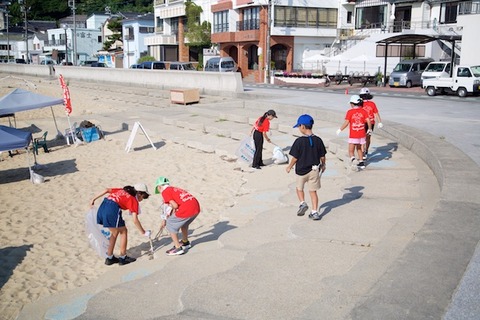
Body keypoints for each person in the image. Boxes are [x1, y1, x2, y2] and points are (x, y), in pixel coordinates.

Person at [91, 183, 151, 266]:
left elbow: (106, 190)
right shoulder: (133, 200)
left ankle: (110, 257)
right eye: (143, 196)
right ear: (139, 193)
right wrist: (143, 232)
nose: (142, 199)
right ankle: (123, 257)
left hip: (103, 207)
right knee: (123, 231)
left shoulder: (123, 190)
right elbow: (135, 220)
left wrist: (93, 199)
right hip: (112, 209)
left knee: (115, 232)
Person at [286, 114, 327, 221]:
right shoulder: (318, 140)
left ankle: (302, 203)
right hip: (314, 170)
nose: (299, 129)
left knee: (299, 188)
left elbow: (295, 157)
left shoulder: (299, 141)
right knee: (313, 191)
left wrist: (289, 166)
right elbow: (322, 156)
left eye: (299, 126)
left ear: (303, 126)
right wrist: (323, 165)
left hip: (301, 171)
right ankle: (315, 212)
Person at [154, 176, 201, 256]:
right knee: (184, 223)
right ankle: (185, 242)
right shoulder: (173, 189)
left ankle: (177, 247)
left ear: (159, 187)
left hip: (187, 208)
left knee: (170, 224)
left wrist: (165, 219)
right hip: (196, 206)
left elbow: (175, 206)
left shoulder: (165, 192)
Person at [336, 95, 372, 169]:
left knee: (350, 151)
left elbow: (346, 122)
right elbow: (368, 120)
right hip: (362, 134)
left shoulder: (350, 112)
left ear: (352, 103)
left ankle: (353, 159)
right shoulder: (363, 111)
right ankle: (361, 162)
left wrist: (340, 129)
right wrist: (369, 129)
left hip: (353, 134)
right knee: (359, 148)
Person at [359, 88, 383, 159]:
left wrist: (380, 122)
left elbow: (376, 113)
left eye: (365, 96)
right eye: (363, 96)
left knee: (368, 137)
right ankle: (363, 152)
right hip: (362, 123)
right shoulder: (360, 103)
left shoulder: (372, 104)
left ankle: (366, 150)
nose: (364, 97)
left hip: (371, 123)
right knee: (362, 137)